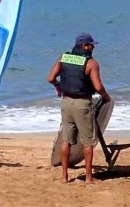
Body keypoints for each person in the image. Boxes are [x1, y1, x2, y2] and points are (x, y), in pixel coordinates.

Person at [47, 32, 111, 184]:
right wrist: (106, 96)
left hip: (66, 102)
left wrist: (58, 86)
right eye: (91, 45)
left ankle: (64, 176)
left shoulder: (64, 58)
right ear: (84, 46)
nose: (93, 47)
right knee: (88, 142)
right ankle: (89, 178)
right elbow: (98, 86)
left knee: (66, 140)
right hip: (82, 104)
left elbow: (50, 78)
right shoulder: (91, 63)